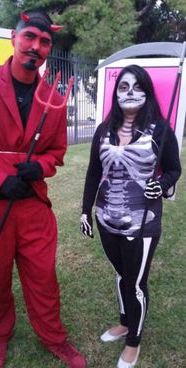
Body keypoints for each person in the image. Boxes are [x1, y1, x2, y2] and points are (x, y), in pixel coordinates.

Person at [0, 9, 87, 368]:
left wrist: (38, 166)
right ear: (13, 38)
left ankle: (54, 337)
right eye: (30, 37)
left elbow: (55, 152)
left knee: (43, 276)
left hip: (31, 202)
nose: (36, 47)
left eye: (44, 42)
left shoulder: (54, 99)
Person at [80, 64, 181, 368]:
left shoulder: (160, 130)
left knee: (135, 282)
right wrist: (86, 210)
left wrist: (161, 185)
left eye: (138, 87)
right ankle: (126, 322)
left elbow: (174, 169)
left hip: (143, 221)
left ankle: (133, 342)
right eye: (123, 87)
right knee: (122, 275)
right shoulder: (104, 129)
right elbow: (93, 173)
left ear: (147, 92)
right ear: (116, 92)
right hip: (106, 217)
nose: (130, 92)